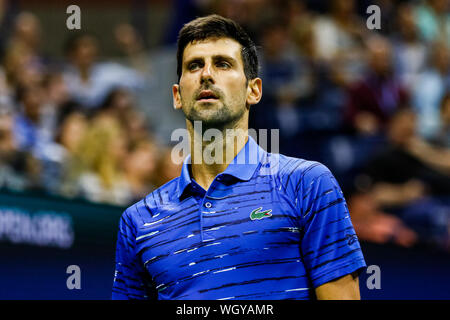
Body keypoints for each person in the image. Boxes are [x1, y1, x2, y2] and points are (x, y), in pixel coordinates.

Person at [112, 14, 366, 300]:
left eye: (223, 64)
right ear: (177, 95)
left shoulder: (307, 184)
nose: (206, 74)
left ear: (253, 90)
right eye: (194, 65)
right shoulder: (138, 221)